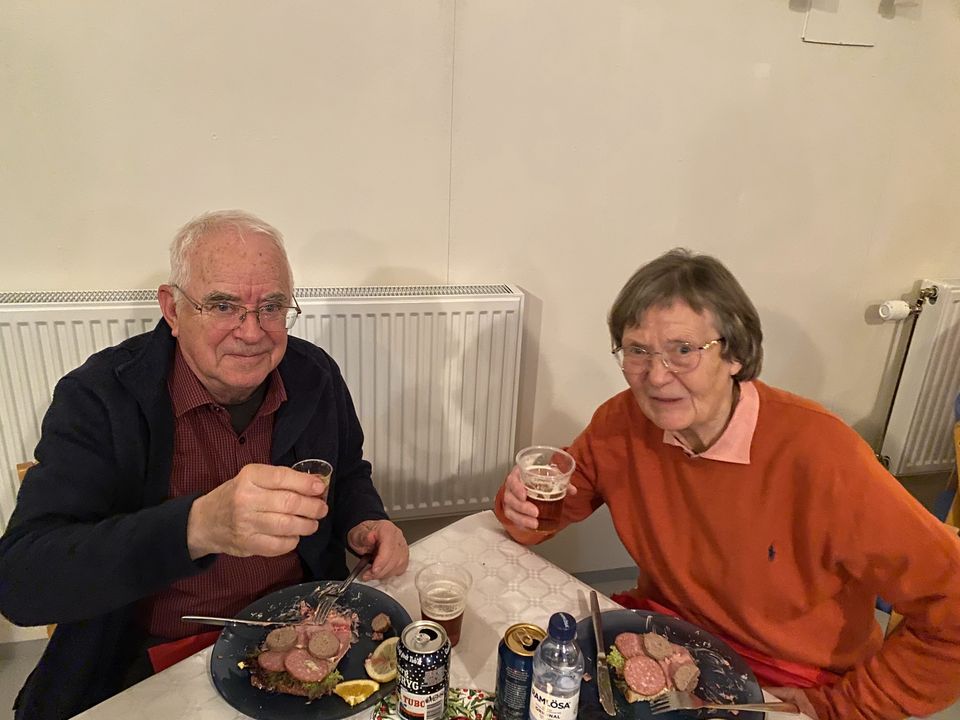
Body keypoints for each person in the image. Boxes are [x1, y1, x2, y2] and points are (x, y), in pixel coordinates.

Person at [495, 249, 960, 720]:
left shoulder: (823, 455)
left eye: (683, 350)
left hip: (791, 679)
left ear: (735, 353)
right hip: (662, 643)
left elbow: (954, 605)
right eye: (637, 350)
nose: (656, 376)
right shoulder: (621, 422)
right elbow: (538, 518)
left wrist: (845, 707)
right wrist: (518, 508)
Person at [0, 210, 409, 719]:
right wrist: (197, 527)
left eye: (272, 307)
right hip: (156, 655)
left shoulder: (314, 374)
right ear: (172, 310)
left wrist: (365, 521)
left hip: (301, 629)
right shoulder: (99, 398)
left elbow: (346, 473)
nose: (252, 332)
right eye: (222, 305)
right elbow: (21, 580)